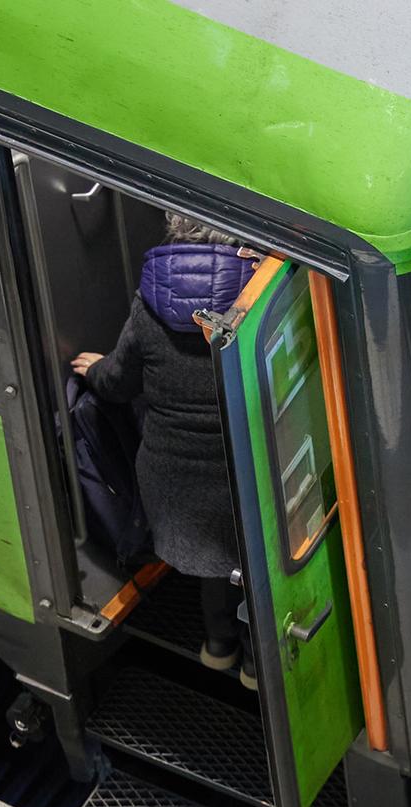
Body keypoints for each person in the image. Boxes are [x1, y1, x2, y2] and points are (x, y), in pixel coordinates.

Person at [71, 216, 259, 686]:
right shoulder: (259, 299)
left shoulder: (150, 304)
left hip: (171, 476)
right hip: (246, 470)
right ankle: (258, 665)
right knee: (257, 571)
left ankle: (218, 647)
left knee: (212, 569)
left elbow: (116, 383)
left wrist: (94, 371)